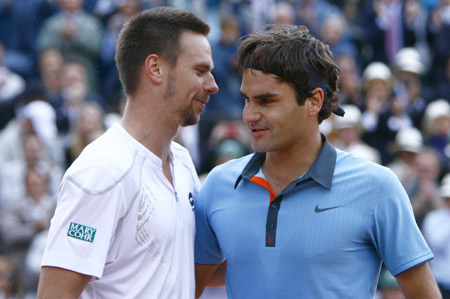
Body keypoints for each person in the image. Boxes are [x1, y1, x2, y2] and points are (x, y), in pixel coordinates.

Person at [194, 24, 441, 298]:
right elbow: (188, 285)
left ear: (314, 101)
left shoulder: (377, 187)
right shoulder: (219, 184)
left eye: (266, 101)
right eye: (247, 100)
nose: (249, 115)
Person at [37, 6, 218, 299]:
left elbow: (190, 270)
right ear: (155, 68)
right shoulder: (102, 170)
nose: (213, 85)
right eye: (200, 71)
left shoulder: (183, 163)